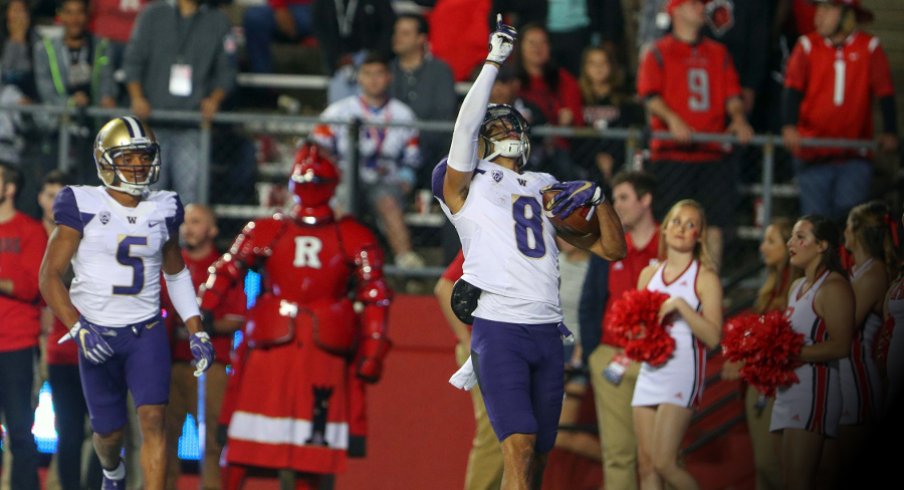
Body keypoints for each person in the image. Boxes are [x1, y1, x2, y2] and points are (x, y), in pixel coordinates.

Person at [436, 17, 627, 488]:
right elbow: (463, 132)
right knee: (517, 447)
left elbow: (611, 249)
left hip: (547, 331)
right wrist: (493, 61)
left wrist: (600, 199)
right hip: (500, 328)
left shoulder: (544, 185)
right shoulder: (465, 185)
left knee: (535, 459)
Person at [198, 141, 393, 490]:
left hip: (286, 344)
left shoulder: (270, 230)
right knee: (264, 443)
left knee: (265, 443)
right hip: (310, 346)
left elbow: (225, 271)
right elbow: (376, 296)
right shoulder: (353, 235)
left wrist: (203, 314)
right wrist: (372, 351)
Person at [38, 116, 215, 490]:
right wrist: (77, 327)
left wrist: (197, 329)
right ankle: (112, 472)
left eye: (143, 156)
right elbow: (48, 276)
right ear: (105, 160)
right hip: (97, 332)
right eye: (128, 157)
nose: (138, 165)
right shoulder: (81, 202)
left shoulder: (164, 206)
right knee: (108, 434)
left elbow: (176, 271)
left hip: (146, 332)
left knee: (154, 419)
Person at [637, 0, 754, 270]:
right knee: (670, 223)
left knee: (714, 224)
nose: (701, 8)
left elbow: (732, 95)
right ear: (675, 9)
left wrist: (737, 118)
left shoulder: (718, 52)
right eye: (693, 3)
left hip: (711, 153)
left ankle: (708, 285)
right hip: (672, 155)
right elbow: (649, 95)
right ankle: (668, 282)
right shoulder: (659, 51)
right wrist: (672, 119)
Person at [632, 199, 723, 490]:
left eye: (691, 224)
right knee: (647, 467)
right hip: (650, 371)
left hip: (682, 371)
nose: (682, 229)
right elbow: (638, 326)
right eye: (676, 221)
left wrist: (681, 306)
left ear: (699, 235)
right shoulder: (648, 275)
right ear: (665, 227)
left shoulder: (705, 277)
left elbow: (713, 337)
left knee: (665, 463)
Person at [781, 0, 897, 222]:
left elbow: (885, 92)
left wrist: (890, 130)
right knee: (815, 224)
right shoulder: (807, 45)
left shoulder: (869, 47)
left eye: (827, 8)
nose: (818, 15)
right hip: (813, 152)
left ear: (846, 15)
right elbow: (792, 90)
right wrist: (789, 126)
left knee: (850, 222)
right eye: (819, 8)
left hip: (854, 154)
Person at [582, 169, 659, 490]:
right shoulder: (609, 247)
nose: (617, 205)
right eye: (614, 199)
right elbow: (589, 303)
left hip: (659, 360)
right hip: (611, 356)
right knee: (617, 453)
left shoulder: (670, 246)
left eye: (624, 198)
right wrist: (593, 355)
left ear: (646, 200)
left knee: (661, 455)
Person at [312, 51, 423, 269]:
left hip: (385, 179)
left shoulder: (403, 114)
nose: (373, 79)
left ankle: (406, 260)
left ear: (389, 77)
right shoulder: (339, 110)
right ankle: (331, 261)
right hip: (344, 178)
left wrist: (405, 178)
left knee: (387, 201)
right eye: (367, 74)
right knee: (341, 202)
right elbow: (318, 147)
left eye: (379, 74)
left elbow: (412, 156)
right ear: (359, 78)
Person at [163, 204, 245, 490]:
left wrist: (199, 325)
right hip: (172, 363)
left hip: (212, 368)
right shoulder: (171, 265)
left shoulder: (224, 269)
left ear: (212, 229)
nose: (188, 228)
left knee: (212, 443)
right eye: (185, 222)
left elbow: (236, 320)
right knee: (163, 442)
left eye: (196, 222)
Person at [123, 0, 237, 204]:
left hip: (192, 124)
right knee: (147, 195)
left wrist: (214, 99)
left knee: (190, 197)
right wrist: (137, 97)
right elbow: (133, 61)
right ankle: (148, 237)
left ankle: (185, 237)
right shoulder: (153, 15)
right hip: (153, 123)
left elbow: (227, 71)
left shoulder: (218, 20)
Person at [770, 214, 853, 490]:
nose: (791, 242)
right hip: (788, 390)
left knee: (798, 482)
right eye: (792, 236)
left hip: (813, 390)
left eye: (800, 237)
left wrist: (792, 354)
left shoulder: (834, 286)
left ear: (822, 246)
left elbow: (842, 345)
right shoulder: (796, 287)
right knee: (793, 479)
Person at [821, 200, 899, 485]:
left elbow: (842, 325)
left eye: (848, 226)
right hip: (841, 376)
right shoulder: (856, 271)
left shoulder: (875, 272)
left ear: (856, 231)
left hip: (858, 378)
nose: (844, 232)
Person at [37, 170, 105, 490]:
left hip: (98, 349)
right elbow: (44, 283)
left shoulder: (95, 236)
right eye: (51, 196)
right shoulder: (45, 237)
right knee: (68, 432)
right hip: (62, 351)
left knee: (104, 430)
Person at [720, 217, 799, 490]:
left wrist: (745, 356)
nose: (763, 248)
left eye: (771, 241)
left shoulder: (798, 289)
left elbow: (789, 339)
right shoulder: (770, 287)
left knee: (772, 464)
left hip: (782, 386)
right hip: (759, 385)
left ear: (790, 246)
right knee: (762, 468)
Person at [434, 250, 504, 490]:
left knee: (517, 436)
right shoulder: (489, 231)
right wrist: (468, 340)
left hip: (512, 345)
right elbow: (444, 286)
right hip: (488, 345)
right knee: (496, 433)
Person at [0, 161, 46, 490]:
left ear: (10, 188)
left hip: (16, 343)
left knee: (19, 429)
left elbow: (31, 286)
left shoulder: (30, 230)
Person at [389, 12, 457, 189]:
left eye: (405, 33)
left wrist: (415, 142)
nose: (397, 38)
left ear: (421, 39)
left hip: (431, 148)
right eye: (396, 32)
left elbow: (443, 115)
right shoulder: (386, 72)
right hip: (392, 149)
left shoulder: (441, 71)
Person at [573, 45, 645, 187]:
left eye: (603, 62)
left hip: (619, 165)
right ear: (585, 68)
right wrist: (595, 158)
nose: (598, 68)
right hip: (584, 165)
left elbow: (630, 133)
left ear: (612, 66)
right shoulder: (577, 99)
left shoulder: (624, 100)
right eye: (593, 63)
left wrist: (612, 159)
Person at [243, 0, 313, 74]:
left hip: (316, 9)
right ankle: (262, 78)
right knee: (254, 18)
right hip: (289, 8)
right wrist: (279, 7)